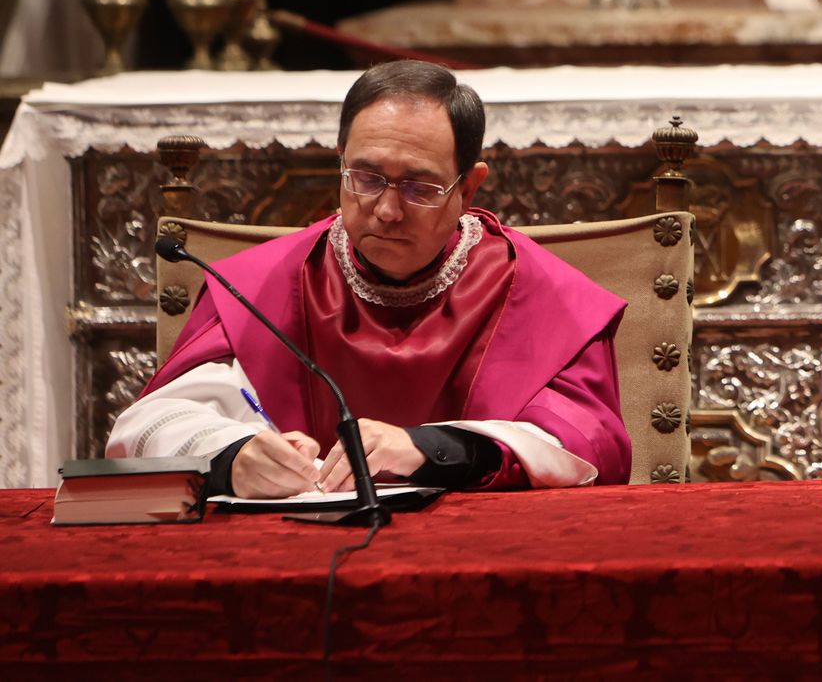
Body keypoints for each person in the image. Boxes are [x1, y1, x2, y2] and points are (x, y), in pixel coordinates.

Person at [107, 60, 630, 496]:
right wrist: (233, 456)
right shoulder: (264, 284)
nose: (385, 211)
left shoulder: (537, 292)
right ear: (341, 164)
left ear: (469, 189)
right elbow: (146, 429)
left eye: (419, 187)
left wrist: (432, 448)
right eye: (366, 178)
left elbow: (591, 444)